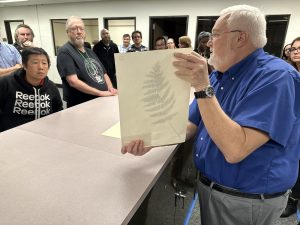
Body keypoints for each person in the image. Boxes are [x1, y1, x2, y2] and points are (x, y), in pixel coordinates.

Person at [121, 5, 300, 225]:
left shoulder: (277, 78)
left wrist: (201, 85)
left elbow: (236, 149)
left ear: (240, 38)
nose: (209, 42)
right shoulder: (221, 75)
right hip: (213, 188)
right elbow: (191, 123)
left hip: (246, 200)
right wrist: (152, 139)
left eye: (215, 34)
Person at [56, 16, 117, 108]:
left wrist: (110, 88)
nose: (79, 31)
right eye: (74, 29)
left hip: (101, 100)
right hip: (82, 105)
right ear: (67, 32)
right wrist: (101, 93)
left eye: (81, 29)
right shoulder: (65, 51)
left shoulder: (90, 51)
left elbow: (104, 73)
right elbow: (73, 81)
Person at [0, 47, 63, 132]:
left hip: (45, 134)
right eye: (35, 62)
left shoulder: (51, 87)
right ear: (25, 66)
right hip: (13, 135)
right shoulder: (6, 83)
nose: (41, 67)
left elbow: (58, 111)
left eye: (44, 63)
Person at [280, 37, 300, 221]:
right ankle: (290, 197)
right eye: (293, 48)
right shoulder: (287, 72)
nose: (296, 51)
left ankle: (293, 200)